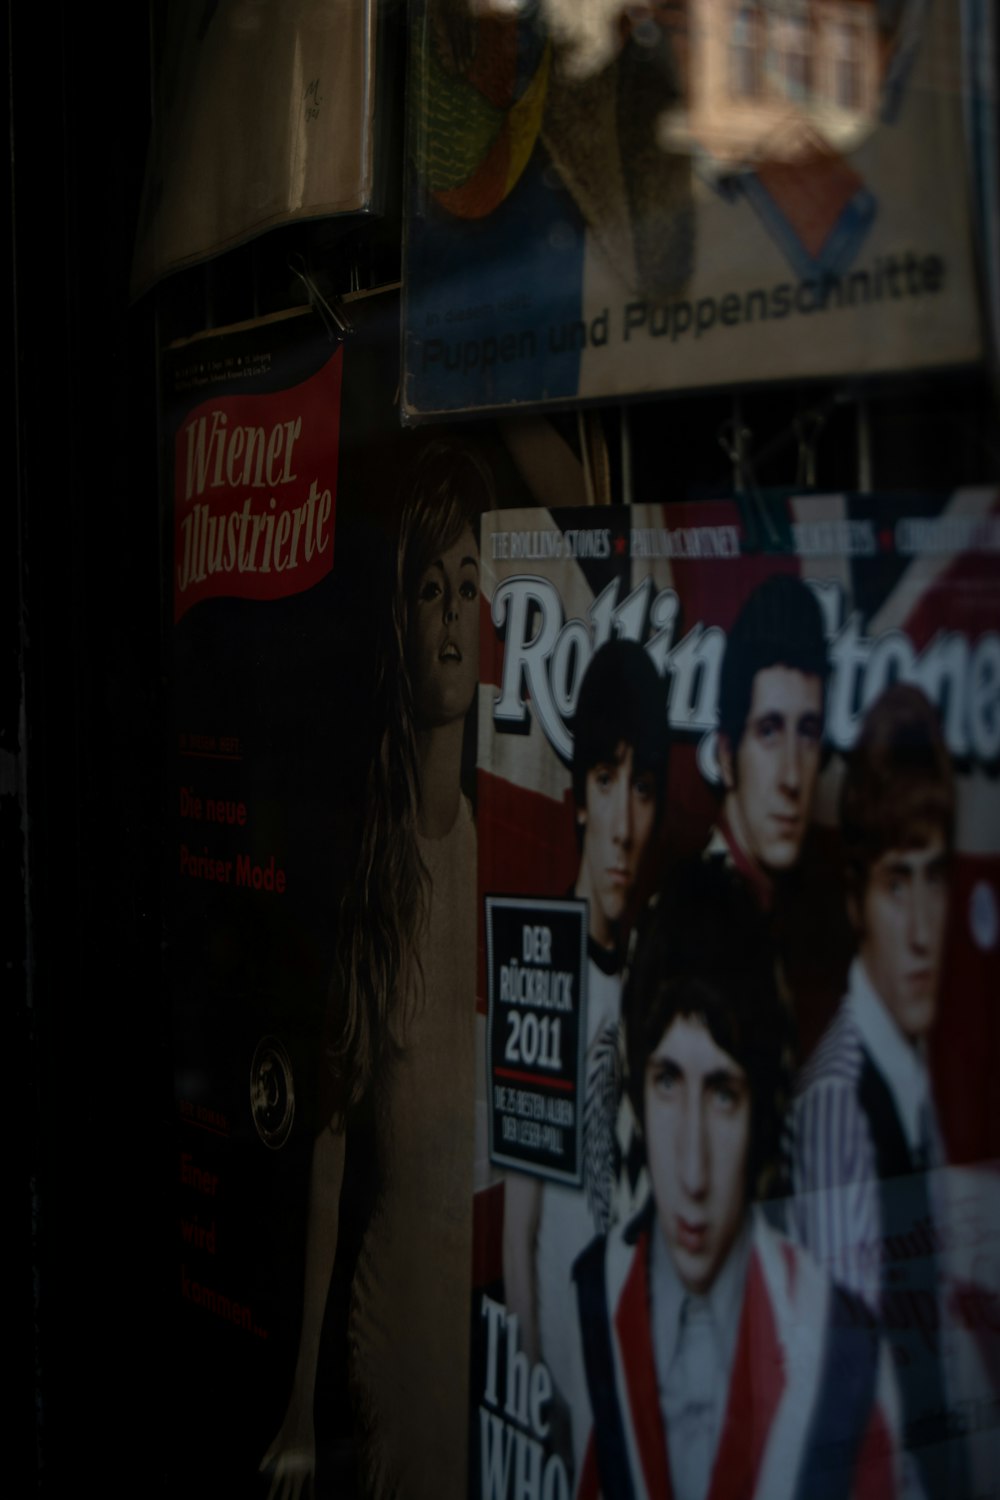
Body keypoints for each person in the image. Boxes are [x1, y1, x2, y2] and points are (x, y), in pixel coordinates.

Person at [261, 441, 493, 1500]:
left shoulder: (515, 850)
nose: (451, 617)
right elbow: (330, 1135)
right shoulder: (374, 862)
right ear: (400, 623)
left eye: (468, 590)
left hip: (493, 1311)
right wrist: (302, 1399)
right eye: (429, 591)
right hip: (395, 1324)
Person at [574, 861, 901, 1500]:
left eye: (723, 1094)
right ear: (637, 1090)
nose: (691, 1172)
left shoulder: (842, 1363)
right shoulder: (602, 1296)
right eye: (668, 1083)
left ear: (758, 1112)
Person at [786, 683, 969, 1500]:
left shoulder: (910, 1075)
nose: (925, 925)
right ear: (857, 898)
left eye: (935, 879)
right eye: (900, 883)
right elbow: (845, 1404)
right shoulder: (841, 1099)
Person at [502, 639, 669, 1470]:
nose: (623, 827)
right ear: (578, 798)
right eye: (608, 784)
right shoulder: (539, 966)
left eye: (642, 789)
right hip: (561, 1416)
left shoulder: (658, 981)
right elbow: (519, 1233)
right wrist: (540, 1409)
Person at [708, 573, 829, 910]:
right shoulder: (693, 924)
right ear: (726, 756)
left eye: (807, 732)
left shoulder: (780, 906)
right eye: (769, 731)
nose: (792, 778)